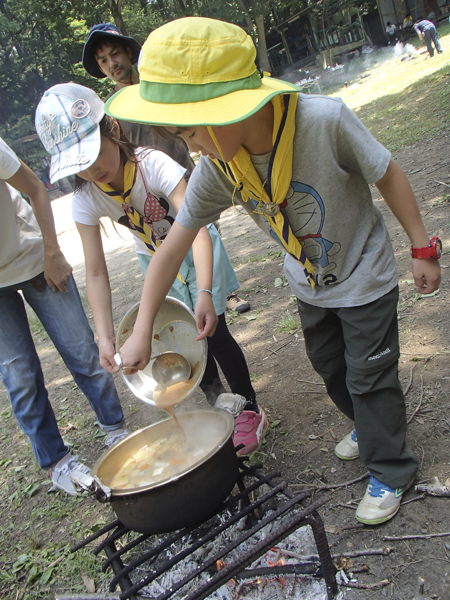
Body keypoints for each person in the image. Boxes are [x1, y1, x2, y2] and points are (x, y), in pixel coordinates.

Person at [104, 17, 442, 525]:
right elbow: (172, 246)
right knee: (331, 367)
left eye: (193, 131)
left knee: (370, 376)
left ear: (231, 108)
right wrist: (144, 329)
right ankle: (371, 426)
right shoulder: (220, 167)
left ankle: (391, 466)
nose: (192, 146)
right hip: (308, 285)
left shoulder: (324, 121)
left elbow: (386, 171)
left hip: (363, 273)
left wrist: (421, 246)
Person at [35, 83, 267, 456]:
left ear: (110, 129)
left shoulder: (153, 164)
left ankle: (250, 408)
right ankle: (218, 407)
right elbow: (95, 272)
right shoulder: (86, 199)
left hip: (197, 250)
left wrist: (205, 292)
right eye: (79, 165)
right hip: (156, 262)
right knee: (183, 340)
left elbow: (198, 230)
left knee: (214, 331)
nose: (92, 170)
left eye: (93, 155)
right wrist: (105, 335)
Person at [82, 22, 251, 314]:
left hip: (186, 171)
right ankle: (192, 301)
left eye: (115, 54)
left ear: (127, 51)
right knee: (172, 242)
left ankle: (226, 292)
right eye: (103, 61)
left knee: (208, 233)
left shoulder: (157, 84)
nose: (112, 64)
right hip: (153, 185)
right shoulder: (113, 110)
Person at [0, 137, 128, 496]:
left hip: (33, 259)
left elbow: (36, 190)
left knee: (81, 350)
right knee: (19, 375)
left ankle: (115, 428)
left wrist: (52, 252)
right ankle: (58, 462)